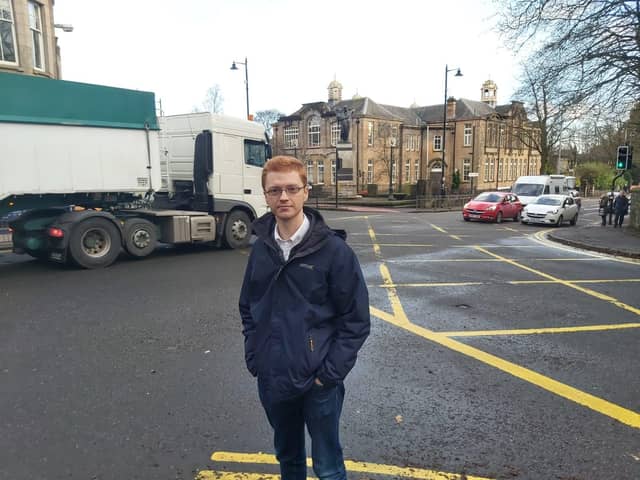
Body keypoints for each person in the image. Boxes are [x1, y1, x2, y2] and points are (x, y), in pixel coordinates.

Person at [239, 155, 370, 480]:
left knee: (327, 466)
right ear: (266, 196)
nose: (283, 197)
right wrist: (255, 356)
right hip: (273, 377)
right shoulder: (261, 249)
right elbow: (248, 306)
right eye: (275, 191)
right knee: (289, 460)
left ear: (306, 193)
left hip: (319, 383)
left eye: (291, 189)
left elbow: (356, 320)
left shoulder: (334, 252)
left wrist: (328, 374)